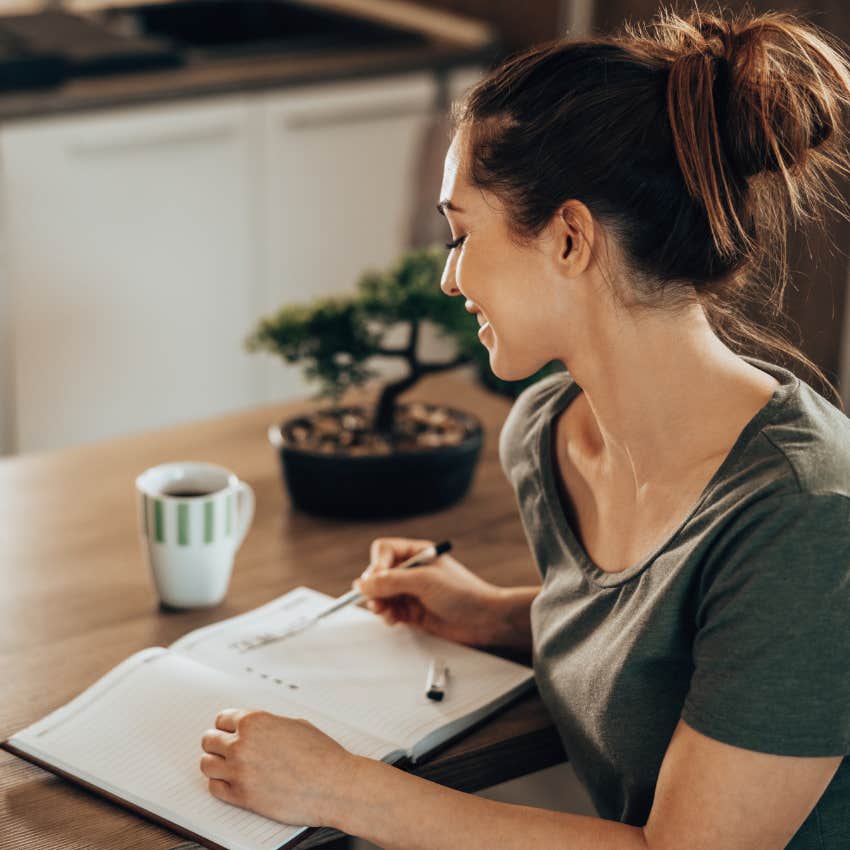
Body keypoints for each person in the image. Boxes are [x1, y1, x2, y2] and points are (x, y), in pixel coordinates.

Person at [199, 7, 850, 848]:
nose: (448, 276)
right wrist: (502, 616)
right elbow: (679, 644)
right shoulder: (549, 437)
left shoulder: (808, 520)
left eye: (461, 232)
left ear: (570, 239)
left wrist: (340, 788)